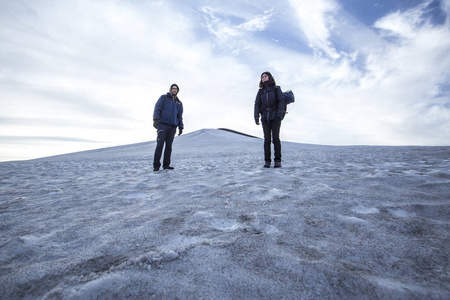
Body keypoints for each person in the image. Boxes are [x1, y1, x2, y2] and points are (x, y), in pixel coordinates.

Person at [254, 72, 285, 168]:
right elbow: (257, 104)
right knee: (267, 140)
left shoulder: (276, 89)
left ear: (270, 77)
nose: (263, 78)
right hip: (265, 118)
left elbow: (281, 101)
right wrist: (256, 116)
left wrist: (279, 115)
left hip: (275, 116)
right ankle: (267, 161)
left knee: (275, 139)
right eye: (262, 77)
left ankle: (277, 161)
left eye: (265, 76)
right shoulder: (260, 92)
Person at [152, 83, 184, 171]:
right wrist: (155, 119)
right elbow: (157, 108)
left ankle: (166, 165)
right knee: (160, 145)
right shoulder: (163, 98)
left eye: (176, 89)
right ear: (170, 89)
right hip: (163, 125)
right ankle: (156, 165)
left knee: (169, 146)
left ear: (177, 91)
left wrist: (181, 127)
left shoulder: (179, 103)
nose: (174, 90)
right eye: (173, 88)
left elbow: (179, 116)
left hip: (173, 127)